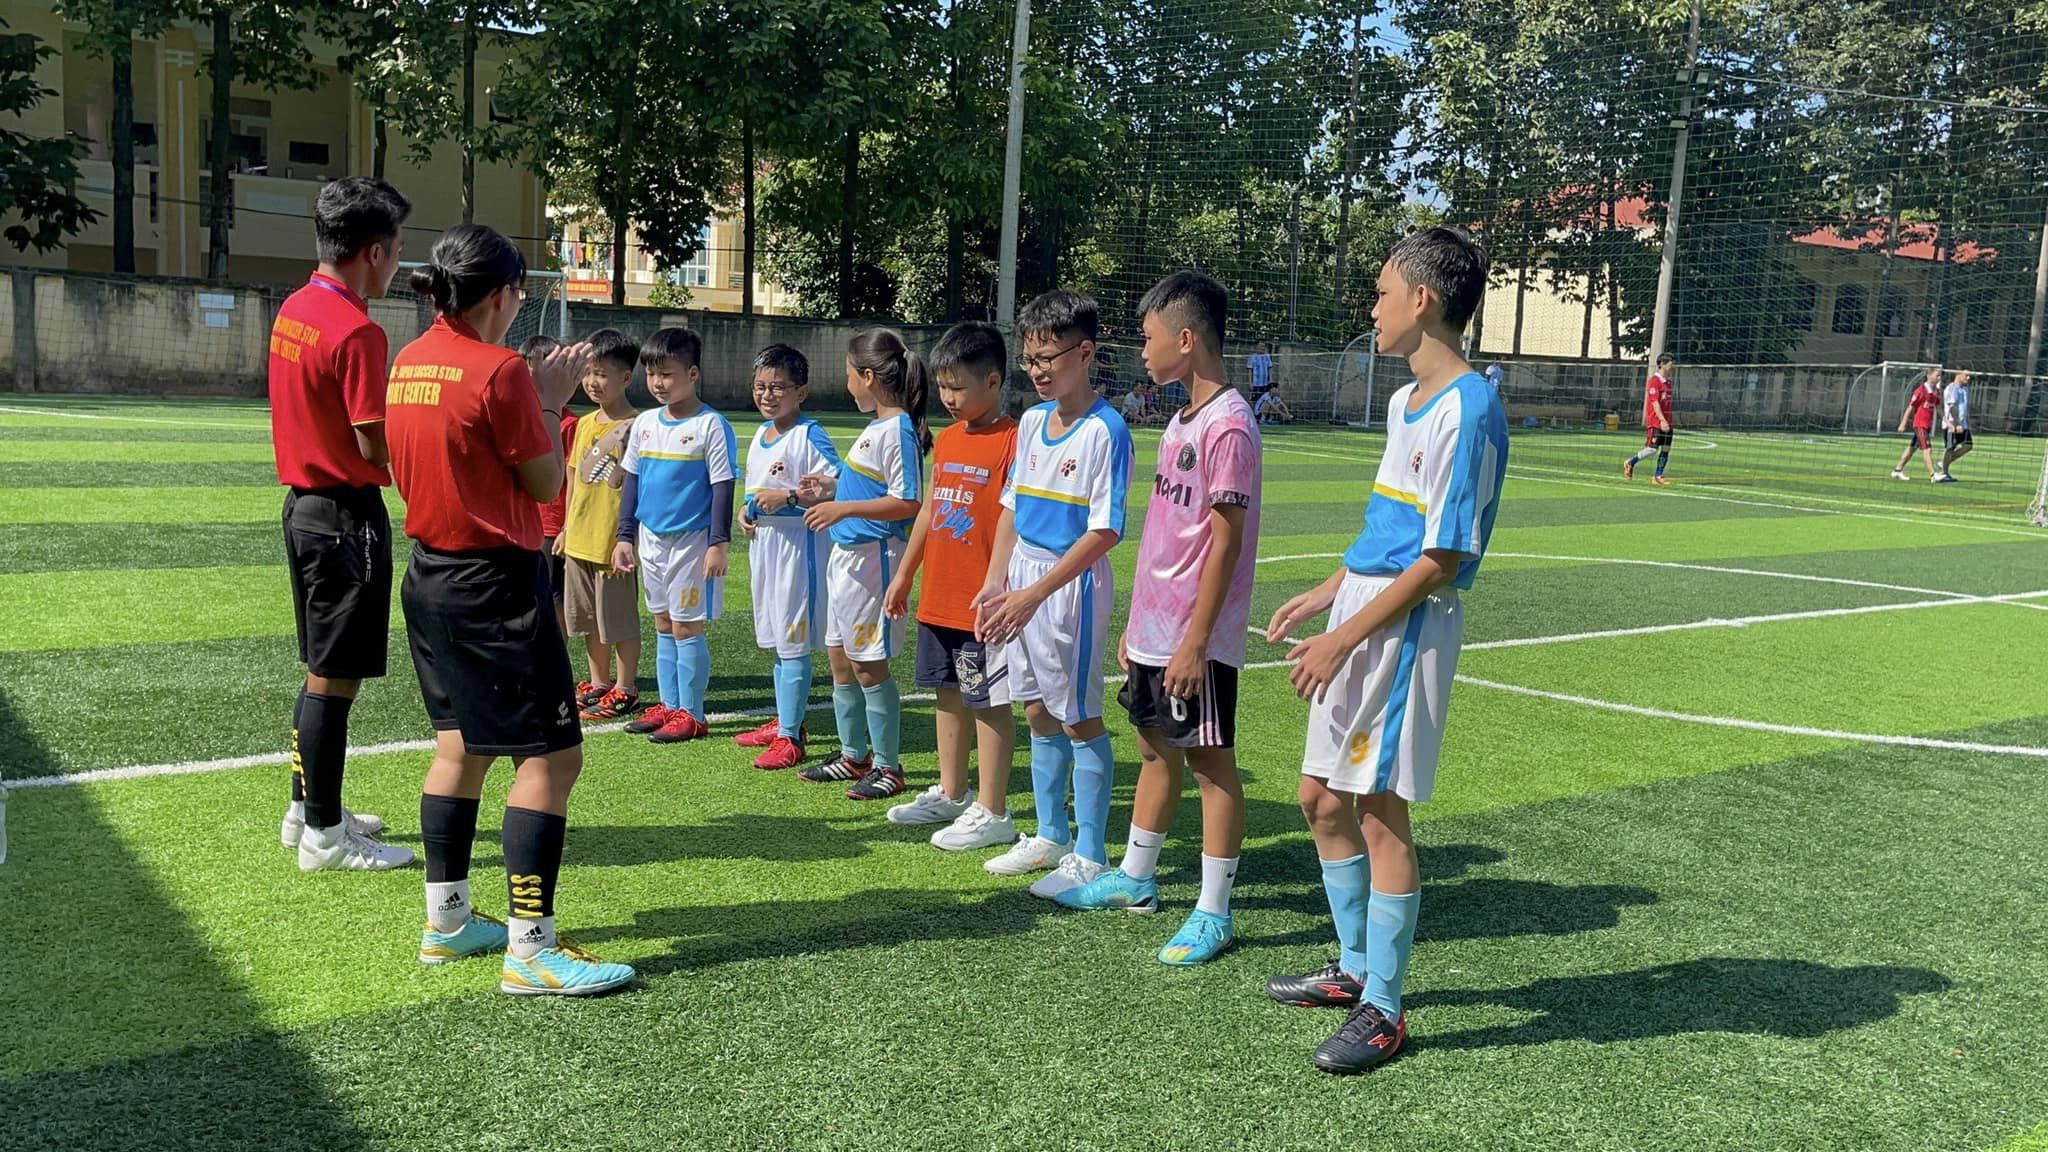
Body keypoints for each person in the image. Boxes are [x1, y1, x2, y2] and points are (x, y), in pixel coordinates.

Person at [1263, 227, 1508, 1073]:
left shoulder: (1468, 408)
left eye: (1379, 292)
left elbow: (1442, 556)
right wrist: (1329, 591)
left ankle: (1387, 1010)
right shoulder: (1408, 400)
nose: (1371, 310)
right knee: (1319, 799)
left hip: (1405, 628)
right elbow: (1390, 528)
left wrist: (1342, 636)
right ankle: (1356, 968)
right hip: (1365, 607)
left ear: (1422, 300)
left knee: (1376, 809)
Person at [385, 222, 632, 995]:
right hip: (495, 583)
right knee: (551, 758)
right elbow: (546, 483)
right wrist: (550, 401)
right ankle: (531, 949)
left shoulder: (408, 361)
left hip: (430, 577)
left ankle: (448, 921)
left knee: (460, 749)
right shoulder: (500, 373)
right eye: (519, 293)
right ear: (499, 296)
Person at [1055, 272, 1261, 969]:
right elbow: (1170, 533)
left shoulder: (1229, 425)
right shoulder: (1180, 421)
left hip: (1194, 637)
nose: (1141, 351)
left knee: (1210, 764)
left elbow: (1224, 543)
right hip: (1156, 627)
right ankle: (1136, 878)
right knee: (1152, 748)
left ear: (1186, 338)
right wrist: (1141, 621)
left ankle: (1214, 912)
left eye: (1148, 338)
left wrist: (1195, 641)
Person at [268, 176, 415, 872]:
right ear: (374, 251)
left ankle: (308, 808)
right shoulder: (358, 329)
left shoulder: (296, 306)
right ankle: (325, 836)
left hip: (304, 508)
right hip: (344, 516)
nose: (397, 264)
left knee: (320, 672)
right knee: (335, 679)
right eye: (397, 250)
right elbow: (371, 442)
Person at [975, 290, 1134, 899]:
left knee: (1079, 716)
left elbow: (1105, 531)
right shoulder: (1033, 422)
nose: (1037, 369)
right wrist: (997, 581)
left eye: (1049, 357)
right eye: (1030, 357)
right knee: (1036, 708)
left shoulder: (1106, 430)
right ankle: (1050, 834)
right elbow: (1012, 505)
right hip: (1023, 579)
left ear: (1085, 353)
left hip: (1069, 589)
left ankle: (1090, 853)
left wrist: (1036, 593)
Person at [881, 322, 1020, 847]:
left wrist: (995, 584)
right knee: (946, 691)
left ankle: (993, 808)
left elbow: (1014, 519)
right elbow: (930, 511)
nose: (948, 397)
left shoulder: (1014, 440)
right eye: (942, 386)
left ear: (993, 381)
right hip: (939, 594)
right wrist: (904, 573)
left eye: (958, 387)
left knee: (987, 699)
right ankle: (952, 791)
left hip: (980, 601)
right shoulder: (949, 438)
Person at [793, 329, 928, 800]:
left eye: (849, 374)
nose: (846, 383)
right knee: (840, 660)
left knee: (869, 665)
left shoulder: (899, 429)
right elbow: (873, 488)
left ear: (868, 376)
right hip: (846, 558)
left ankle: (889, 766)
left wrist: (843, 508)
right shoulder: (877, 428)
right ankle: (854, 755)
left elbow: (908, 502)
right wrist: (831, 490)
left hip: (875, 559)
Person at [611, 328, 737, 744]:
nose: (658, 383)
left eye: (667, 373)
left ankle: (693, 713)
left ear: (693, 373)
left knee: (686, 626)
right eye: (651, 374)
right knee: (662, 622)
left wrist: (718, 543)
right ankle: (669, 704)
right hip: (651, 539)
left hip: (691, 542)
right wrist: (625, 535)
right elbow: (632, 481)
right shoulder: (646, 423)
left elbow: (722, 486)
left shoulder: (711, 425)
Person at [730, 343, 842, 770]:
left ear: (802, 392)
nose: (768, 395)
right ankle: (784, 721)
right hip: (765, 547)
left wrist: (790, 497)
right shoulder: (762, 433)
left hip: (799, 547)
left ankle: (791, 738)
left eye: (778, 387)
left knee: (793, 642)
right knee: (778, 639)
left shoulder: (809, 434)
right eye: (760, 386)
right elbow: (756, 490)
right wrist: (747, 510)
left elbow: (840, 485)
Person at [557, 328, 643, 722]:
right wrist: (566, 528)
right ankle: (599, 681)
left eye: (603, 374)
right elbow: (574, 477)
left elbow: (637, 485)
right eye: (589, 373)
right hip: (580, 539)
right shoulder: (584, 423)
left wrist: (627, 538)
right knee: (589, 619)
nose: (593, 382)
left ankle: (626, 687)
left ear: (626, 378)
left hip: (613, 543)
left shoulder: (638, 426)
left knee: (619, 621)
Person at [525, 336, 576, 638]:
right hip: (523, 526)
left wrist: (567, 527)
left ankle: (558, 658)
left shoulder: (569, 425)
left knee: (555, 600)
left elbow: (575, 482)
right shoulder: (520, 416)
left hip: (551, 528)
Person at [1622, 353, 1675, 486]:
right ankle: (1631, 462)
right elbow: (1655, 403)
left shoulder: (1668, 382)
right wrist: (1662, 420)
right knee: (1652, 448)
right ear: (1662, 364)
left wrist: (1668, 421)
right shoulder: (1654, 381)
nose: (1672, 366)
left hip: (1668, 422)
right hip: (1656, 422)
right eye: (1671, 363)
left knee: (1666, 449)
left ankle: (1658, 476)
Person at [1893, 367, 1943, 481]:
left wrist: (1946, 420)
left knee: (1912, 448)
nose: (1939, 378)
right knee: (1927, 449)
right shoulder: (1920, 391)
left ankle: (1897, 470)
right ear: (1929, 376)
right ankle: (1933, 475)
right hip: (1920, 425)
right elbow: (1910, 407)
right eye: (1937, 375)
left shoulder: (1936, 391)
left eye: (1940, 375)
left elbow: (1939, 407)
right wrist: (1903, 423)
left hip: (1927, 425)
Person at [1938, 370, 1973, 483]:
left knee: (1968, 445)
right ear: (1958, 374)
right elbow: (1952, 407)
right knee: (1950, 448)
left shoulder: (1965, 389)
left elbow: (1963, 408)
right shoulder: (1951, 388)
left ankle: (1944, 463)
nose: (1968, 378)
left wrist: (1966, 423)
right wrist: (1956, 424)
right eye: (1966, 375)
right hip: (1951, 425)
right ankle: (1944, 473)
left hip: (1963, 425)